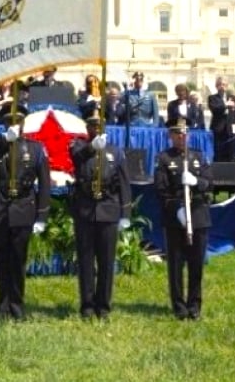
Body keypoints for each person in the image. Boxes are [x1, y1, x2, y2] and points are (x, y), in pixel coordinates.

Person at [0, 106, 50, 320]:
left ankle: (17, 305)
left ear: (24, 124)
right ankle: (3, 304)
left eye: (17, 121)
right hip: (0, 207)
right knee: (1, 258)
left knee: (18, 259)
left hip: (23, 206)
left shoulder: (35, 149)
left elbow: (44, 184)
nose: (14, 125)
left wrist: (42, 216)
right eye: (9, 121)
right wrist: (3, 142)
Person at [69, 108, 132, 319]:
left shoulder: (115, 151)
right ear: (87, 128)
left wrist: (125, 213)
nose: (96, 129)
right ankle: (87, 305)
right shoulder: (79, 146)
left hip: (108, 210)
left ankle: (103, 305)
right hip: (85, 210)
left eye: (99, 125)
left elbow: (124, 184)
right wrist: (91, 149)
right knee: (86, 260)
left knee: (106, 261)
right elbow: (76, 158)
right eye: (92, 126)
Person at [154, 119, 213, 320]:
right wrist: (177, 209)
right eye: (177, 133)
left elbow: (210, 183)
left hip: (198, 215)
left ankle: (194, 305)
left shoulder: (198, 156)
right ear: (171, 135)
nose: (181, 137)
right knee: (176, 264)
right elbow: (161, 190)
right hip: (175, 217)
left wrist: (197, 182)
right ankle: (179, 305)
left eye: (184, 133)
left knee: (196, 264)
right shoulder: (164, 158)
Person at [207, 76, 235, 161]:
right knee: (218, 155)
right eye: (220, 84)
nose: (222, 86)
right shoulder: (212, 98)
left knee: (231, 156)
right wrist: (225, 105)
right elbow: (214, 109)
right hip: (218, 130)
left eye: (224, 84)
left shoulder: (232, 98)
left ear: (227, 86)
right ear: (216, 86)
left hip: (230, 131)